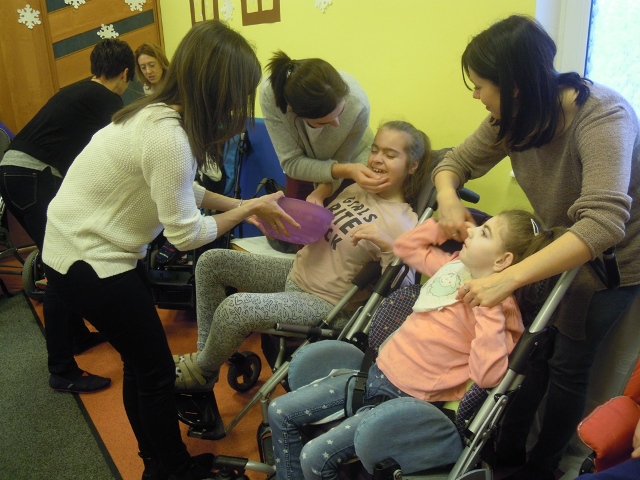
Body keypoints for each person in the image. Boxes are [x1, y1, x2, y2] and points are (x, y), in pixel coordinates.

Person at [41, 20, 298, 480]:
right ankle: (174, 469)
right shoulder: (168, 136)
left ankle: (157, 465)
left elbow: (181, 189)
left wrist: (243, 205)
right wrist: (244, 211)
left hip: (78, 249)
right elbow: (185, 234)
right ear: (215, 87)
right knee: (156, 372)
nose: (236, 107)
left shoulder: (155, 115)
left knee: (142, 367)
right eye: (236, 94)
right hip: (90, 260)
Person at [431, 15, 640, 480]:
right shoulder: (514, 118)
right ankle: (506, 452)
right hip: (555, 244)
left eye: (480, 86)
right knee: (529, 351)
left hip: (611, 260)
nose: (475, 95)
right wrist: (448, 196)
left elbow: (603, 223)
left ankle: (543, 467)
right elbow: (454, 162)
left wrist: (508, 278)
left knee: (567, 364)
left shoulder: (604, 117)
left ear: (515, 87)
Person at [267, 209, 563, 480]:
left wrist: (488, 306)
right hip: (373, 377)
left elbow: (487, 376)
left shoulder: (500, 312)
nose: (473, 231)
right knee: (280, 411)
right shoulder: (454, 266)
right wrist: (439, 226)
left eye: (484, 232)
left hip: (405, 403)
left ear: (502, 261)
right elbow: (407, 248)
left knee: (314, 458)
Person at [173, 120, 431, 396]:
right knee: (212, 262)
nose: (377, 159)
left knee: (235, 308)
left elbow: (403, 295)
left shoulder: (404, 222)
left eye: (390, 155)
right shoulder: (356, 188)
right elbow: (324, 230)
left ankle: (201, 369)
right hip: (296, 272)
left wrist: (387, 245)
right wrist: (309, 204)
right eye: (375, 150)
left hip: (326, 304)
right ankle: (206, 363)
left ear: (412, 165)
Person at [0, 38, 136, 392]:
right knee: (61, 266)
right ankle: (61, 369)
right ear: (125, 73)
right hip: (31, 177)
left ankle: (75, 336)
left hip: (15, 174)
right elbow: (120, 152)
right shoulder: (107, 100)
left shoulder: (78, 91)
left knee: (61, 257)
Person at [261, 50, 385, 205]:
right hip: (308, 167)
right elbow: (292, 162)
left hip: (352, 166)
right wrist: (346, 170)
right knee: (297, 215)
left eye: (341, 112)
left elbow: (342, 161)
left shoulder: (358, 105)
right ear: (297, 115)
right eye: (323, 123)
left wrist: (321, 192)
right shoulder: (272, 96)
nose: (337, 124)